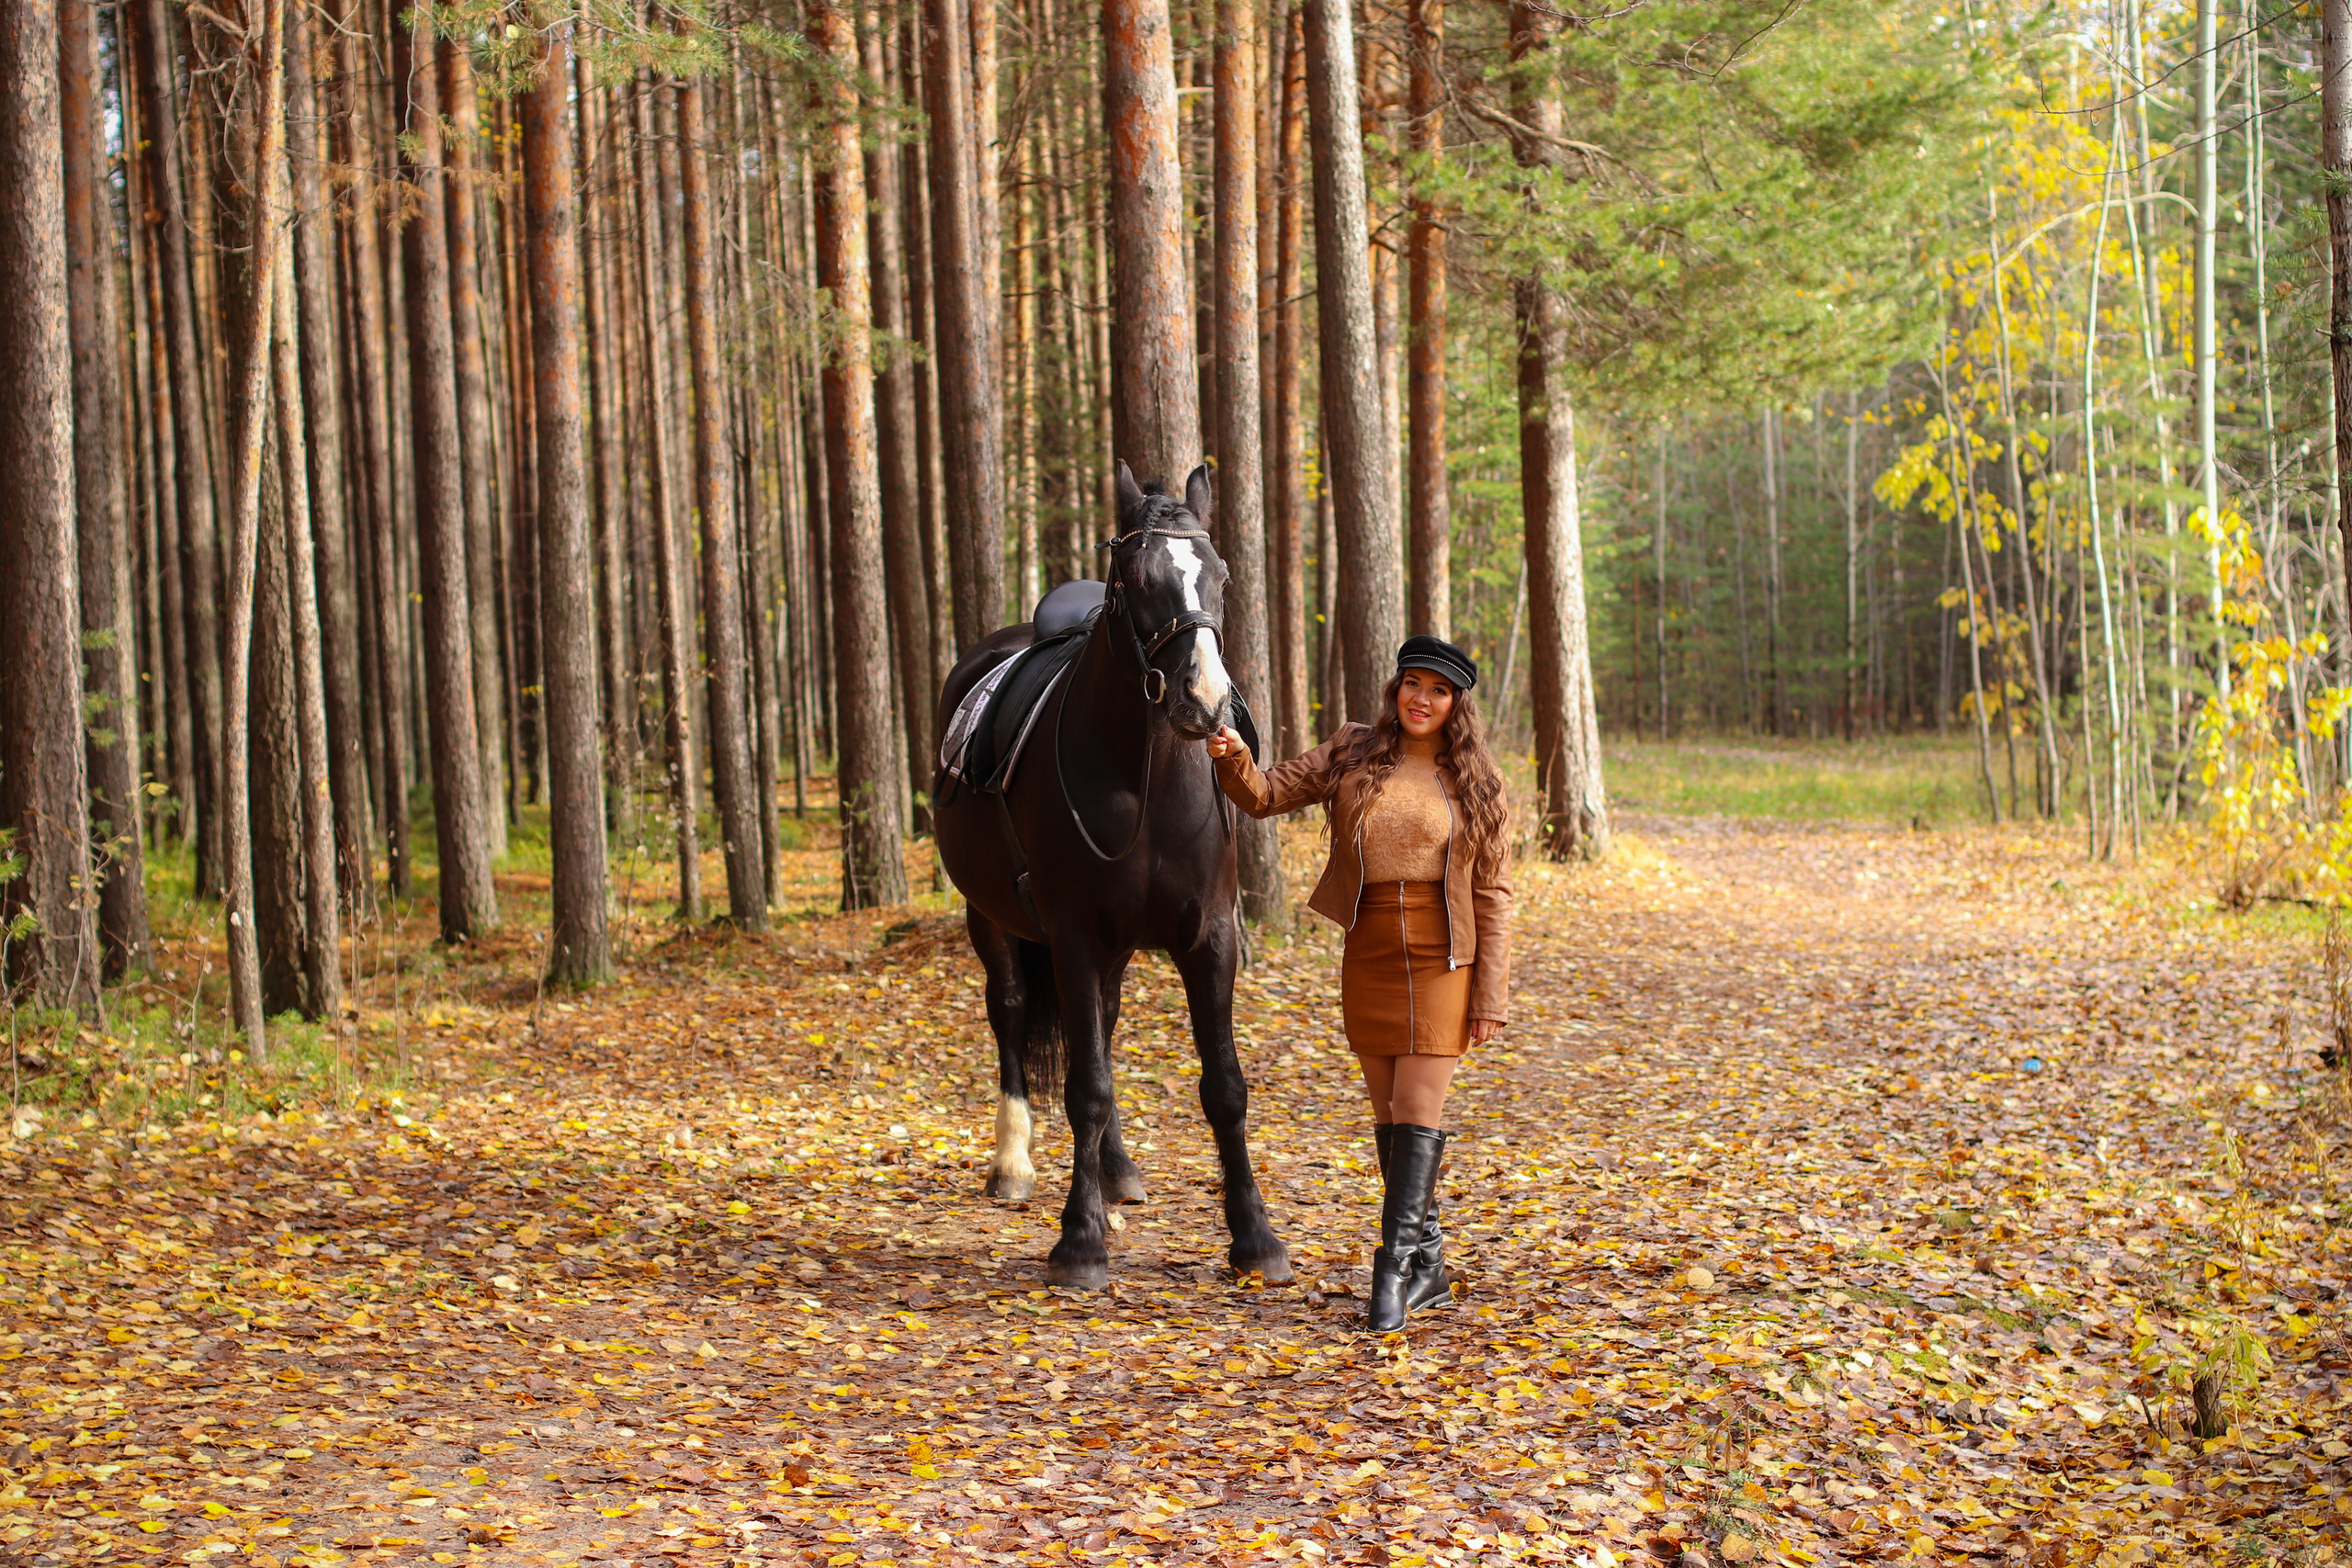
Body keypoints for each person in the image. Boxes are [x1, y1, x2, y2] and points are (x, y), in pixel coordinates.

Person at [1204, 636, 1513, 1332]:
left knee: (1416, 1108)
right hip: (1368, 950)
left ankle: (1392, 1269)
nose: (1422, 699)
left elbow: (1494, 892)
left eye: (1438, 690)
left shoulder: (1477, 779)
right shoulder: (1353, 749)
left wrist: (1490, 994)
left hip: (1444, 958)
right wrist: (1235, 759)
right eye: (1413, 684)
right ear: (1396, 688)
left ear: (1456, 703)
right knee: (1389, 1121)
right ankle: (1427, 1266)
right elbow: (1269, 792)